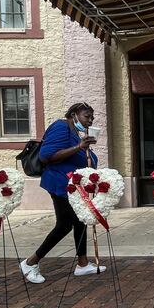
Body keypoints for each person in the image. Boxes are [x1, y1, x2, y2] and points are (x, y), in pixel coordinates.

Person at [19, 102, 106, 283]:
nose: (90, 120)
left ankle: (82, 264)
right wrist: (79, 147)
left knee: (80, 220)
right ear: (74, 114)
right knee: (64, 225)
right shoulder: (60, 127)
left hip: (72, 186)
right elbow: (47, 155)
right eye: (86, 116)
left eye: (91, 117)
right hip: (59, 183)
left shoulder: (74, 132)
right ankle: (30, 262)